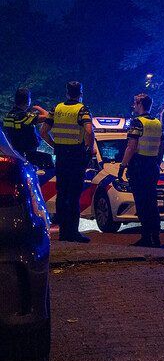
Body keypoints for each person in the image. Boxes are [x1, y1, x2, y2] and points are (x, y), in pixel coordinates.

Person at [40, 81, 95, 243]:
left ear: (67, 92)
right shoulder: (82, 110)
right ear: (80, 93)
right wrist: (88, 148)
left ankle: (63, 231)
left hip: (61, 156)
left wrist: (55, 145)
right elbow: (89, 131)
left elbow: (43, 132)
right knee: (74, 194)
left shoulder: (56, 109)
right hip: (76, 156)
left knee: (62, 194)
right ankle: (73, 232)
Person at [119, 93, 164, 248]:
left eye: (135, 103)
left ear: (140, 104)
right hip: (152, 165)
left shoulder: (137, 122)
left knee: (142, 203)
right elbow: (162, 146)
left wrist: (123, 166)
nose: (133, 106)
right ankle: (155, 236)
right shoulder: (157, 123)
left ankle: (146, 237)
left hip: (139, 166)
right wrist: (157, 162)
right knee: (152, 202)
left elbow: (131, 147)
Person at [2, 88, 49, 164]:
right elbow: (48, 117)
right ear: (28, 100)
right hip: (28, 154)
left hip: (14, 152)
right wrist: (39, 108)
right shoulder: (25, 117)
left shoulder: (8, 115)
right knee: (48, 160)